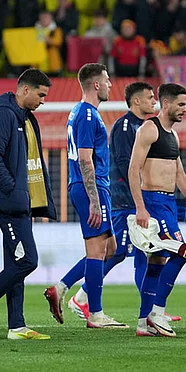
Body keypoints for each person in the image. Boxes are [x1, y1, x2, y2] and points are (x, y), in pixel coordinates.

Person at [0, 70, 57, 340]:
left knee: (16, 264)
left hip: (21, 202)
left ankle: (16, 326)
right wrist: (13, 189)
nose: (44, 100)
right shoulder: (4, 116)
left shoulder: (26, 119)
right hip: (10, 202)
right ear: (25, 90)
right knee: (28, 260)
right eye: (41, 94)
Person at [63, 82, 157, 323]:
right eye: (150, 97)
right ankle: (77, 294)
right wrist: (137, 198)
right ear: (136, 101)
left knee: (134, 253)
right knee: (111, 252)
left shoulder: (143, 126)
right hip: (122, 199)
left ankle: (151, 309)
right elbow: (128, 166)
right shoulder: (123, 125)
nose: (153, 101)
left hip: (129, 198)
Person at [44, 63, 127, 329]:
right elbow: (84, 158)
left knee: (111, 249)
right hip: (89, 185)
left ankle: (63, 287)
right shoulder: (88, 115)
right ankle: (95, 314)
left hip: (90, 186)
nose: (111, 85)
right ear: (96, 84)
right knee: (97, 249)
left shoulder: (79, 112)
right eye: (107, 80)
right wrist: (93, 199)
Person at [129, 83, 186, 337]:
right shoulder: (149, 129)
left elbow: (180, 175)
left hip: (168, 203)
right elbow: (133, 170)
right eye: (181, 104)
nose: (184, 109)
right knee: (182, 251)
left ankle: (143, 323)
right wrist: (140, 207)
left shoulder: (173, 135)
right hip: (153, 202)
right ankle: (157, 312)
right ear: (166, 104)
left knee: (156, 262)